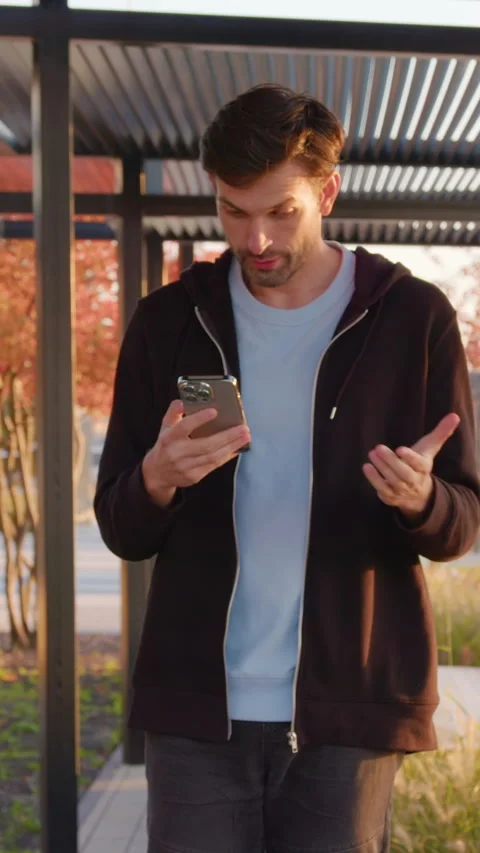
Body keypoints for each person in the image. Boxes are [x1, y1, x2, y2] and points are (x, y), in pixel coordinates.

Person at [94, 84, 480, 853]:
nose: (256, 237)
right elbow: (118, 523)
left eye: (281, 211)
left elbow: (462, 522)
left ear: (327, 191)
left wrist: (422, 499)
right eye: (233, 211)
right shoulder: (172, 322)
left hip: (350, 710)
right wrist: (158, 478)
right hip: (195, 708)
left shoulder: (412, 320)